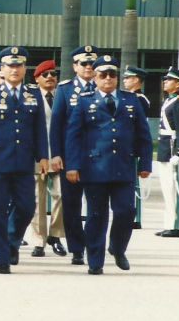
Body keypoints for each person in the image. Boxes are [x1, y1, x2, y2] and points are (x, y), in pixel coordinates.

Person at [65, 55, 153, 275]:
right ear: (95, 78)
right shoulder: (85, 101)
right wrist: (72, 165)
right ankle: (95, 261)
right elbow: (73, 136)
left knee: (126, 211)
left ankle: (117, 247)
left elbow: (143, 133)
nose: (107, 79)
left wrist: (145, 162)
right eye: (102, 75)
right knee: (96, 215)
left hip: (123, 166)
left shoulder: (131, 100)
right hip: (95, 167)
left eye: (112, 75)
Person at [0, 46, 48, 274]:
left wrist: (43, 155)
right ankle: (3, 258)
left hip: (24, 162)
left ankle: (11, 240)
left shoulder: (32, 93)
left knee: (27, 207)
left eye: (18, 66)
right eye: (10, 66)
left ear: (24, 68)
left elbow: (39, 129)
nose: (14, 70)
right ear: (2, 69)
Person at [50, 45, 98, 265]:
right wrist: (57, 154)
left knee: (96, 204)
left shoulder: (103, 87)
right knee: (71, 204)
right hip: (71, 156)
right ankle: (77, 248)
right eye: (83, 63)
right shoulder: (65, 89)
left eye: (91, 63)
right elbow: (57, 124)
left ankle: (94, 245)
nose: (88, 67)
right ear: (74, 66)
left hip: (97, 157)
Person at [29, 60, 67, 258]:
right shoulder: (31, 97)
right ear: (37, 79)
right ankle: (39, 241)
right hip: (38, 156)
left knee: (61, 195)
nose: (50, 77)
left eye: (53, 73)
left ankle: (55, 234)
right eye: (45, 74)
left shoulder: (62, 96)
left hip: (59, 155)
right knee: (38, 200)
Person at [155, 67, 179, 238]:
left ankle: (176, 226)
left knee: (174, 189)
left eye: (169, 80)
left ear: (177, 84)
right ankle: (169, 223)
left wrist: (178, 151)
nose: (165, 82)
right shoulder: (169, 101)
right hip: (164, 148)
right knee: (167, 189)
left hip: (172, 149)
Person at [121, 65, 151, 229]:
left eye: (128, 78)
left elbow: (140, 127)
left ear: (136, 80)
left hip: (135, 146)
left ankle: (136, 217)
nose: (124, 80)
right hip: (127, 146)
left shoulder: (140, 99)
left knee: (135, 185)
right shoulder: (129, 97)